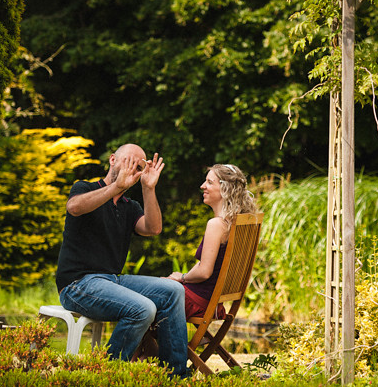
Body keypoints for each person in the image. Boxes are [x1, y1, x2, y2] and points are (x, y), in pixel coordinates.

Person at [54, 144, 188, 375]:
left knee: (173, 290)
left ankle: (175, 377)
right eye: (127, 160)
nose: (131, 167)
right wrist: (116, 186)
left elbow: (153, 228)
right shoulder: (84, 188)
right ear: (113, 159)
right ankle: (108, 374)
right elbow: (74, 208)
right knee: (143, 308)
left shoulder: (129, 207)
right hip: (77, 285)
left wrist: (148, 188)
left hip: (112, 281)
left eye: (138, 166)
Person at [167, 164, 258, 319]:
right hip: (212, 304)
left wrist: (181, 277)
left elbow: (204, 272)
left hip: (196, 303)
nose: (203, 186)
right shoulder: (240, 224)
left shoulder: (217, 225)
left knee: (145, 298)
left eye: (209, 182)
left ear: (225, 189)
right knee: (159, 287)